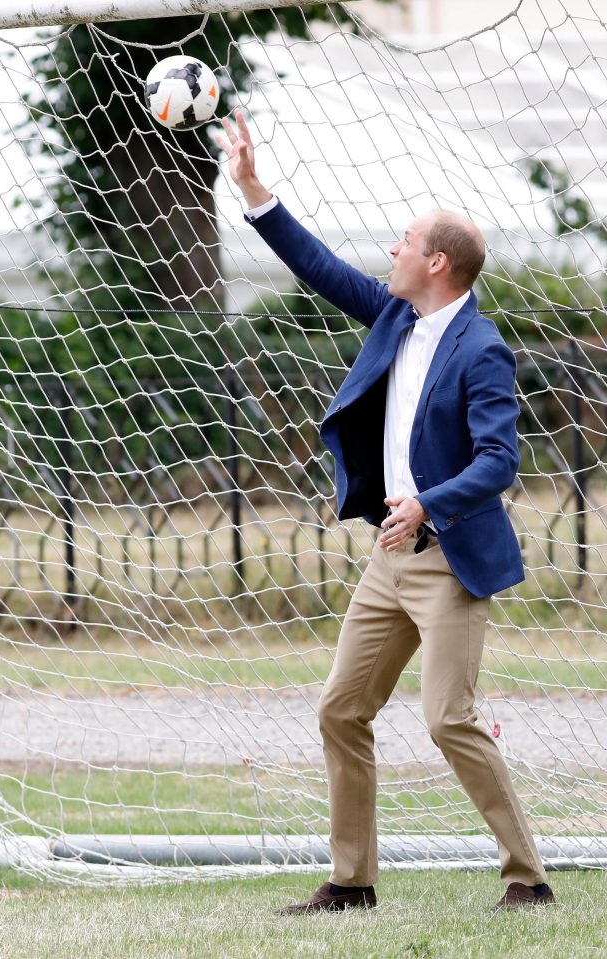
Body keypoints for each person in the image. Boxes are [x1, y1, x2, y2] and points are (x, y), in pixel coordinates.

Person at [216, 109, 555, 914]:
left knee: (447, 719)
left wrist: (425, 506)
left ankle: (528, 877)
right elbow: (320, 267)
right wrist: (256, 191)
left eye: (403, 241)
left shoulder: (483, 350)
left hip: (448, 561)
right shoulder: (396, 316)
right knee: (341, 708)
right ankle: (351, 880)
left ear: (437, 262)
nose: (391, 251)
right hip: (387, 561)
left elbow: (500, 464)